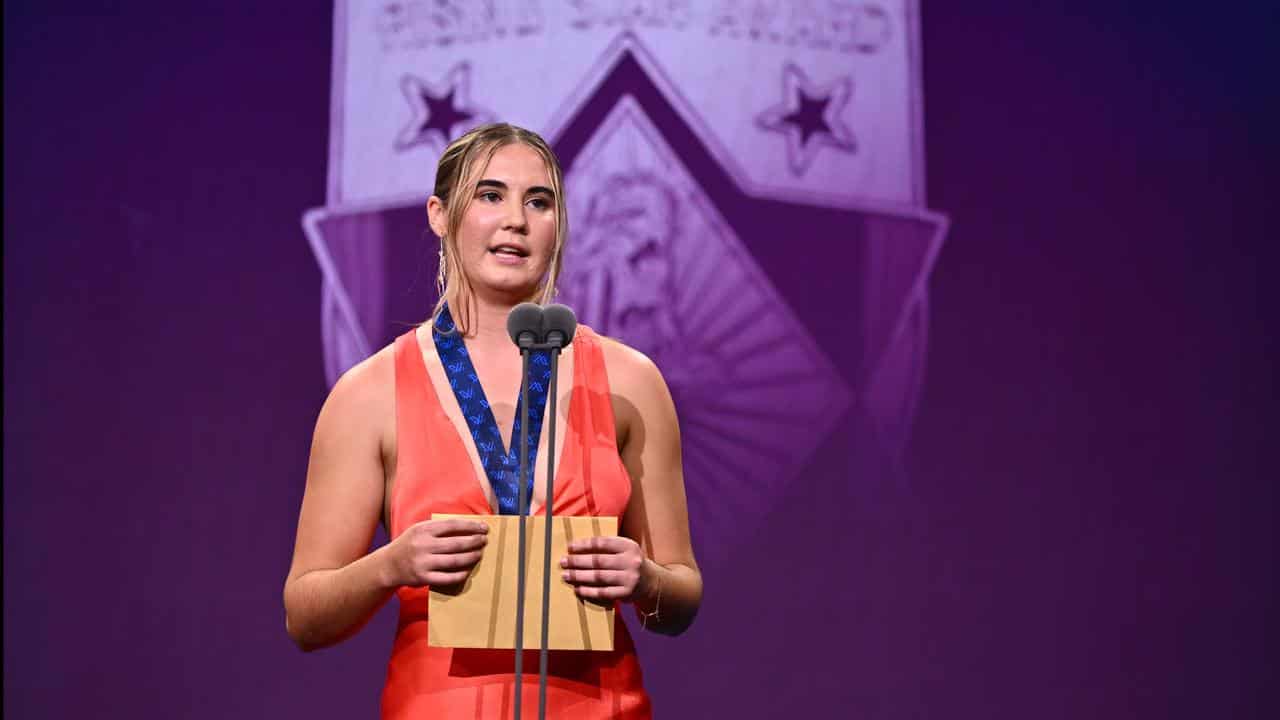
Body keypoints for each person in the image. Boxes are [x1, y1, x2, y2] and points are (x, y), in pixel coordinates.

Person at [283, 122, 702, 718]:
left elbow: (681, 600)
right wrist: (392, 565)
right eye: (489, 195)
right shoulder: (369, 394)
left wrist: (647, 580)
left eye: (539, 201)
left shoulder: (630, 382)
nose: (516, 220)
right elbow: (305, 615)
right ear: (439, 213)